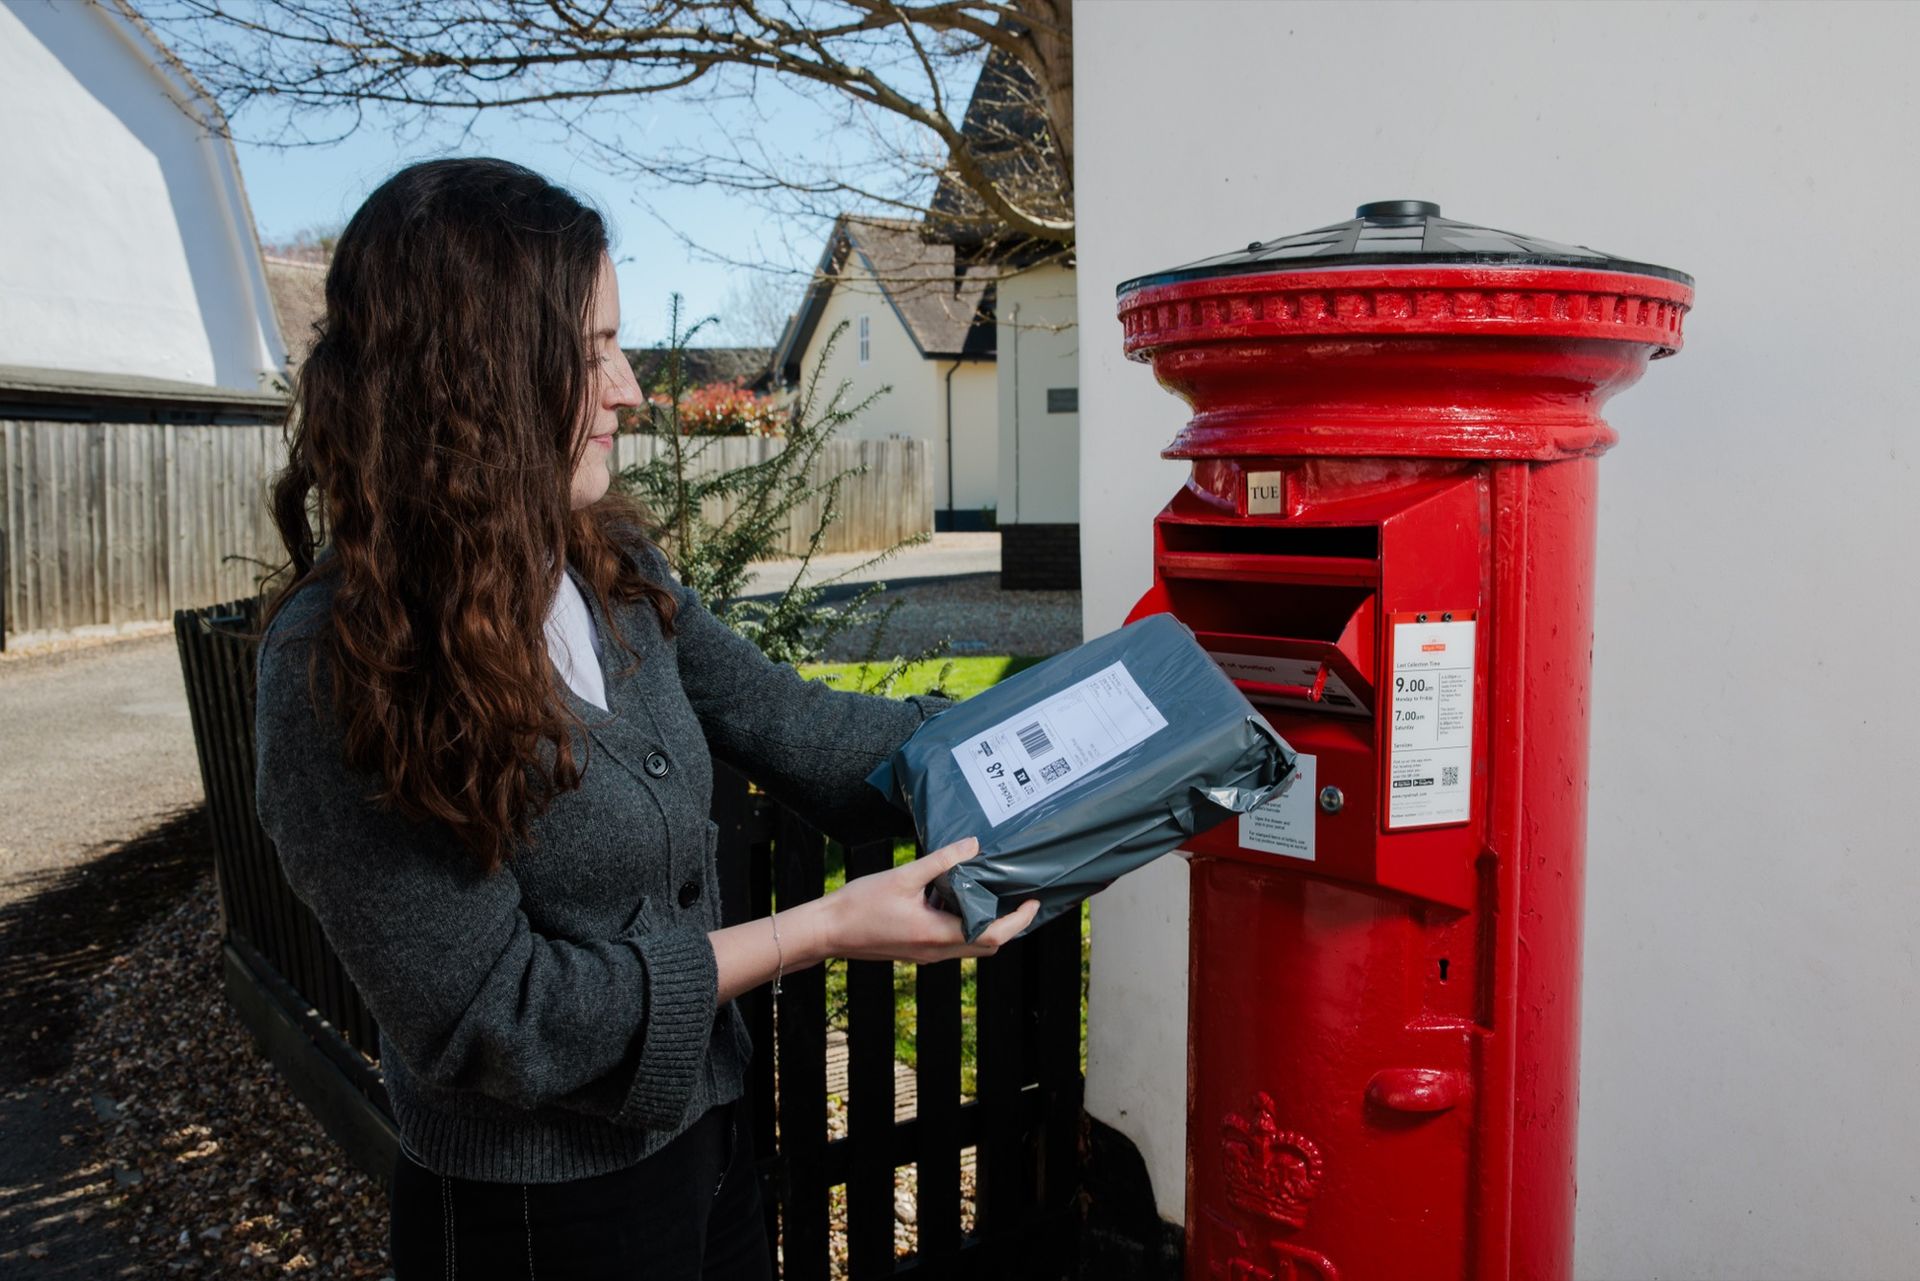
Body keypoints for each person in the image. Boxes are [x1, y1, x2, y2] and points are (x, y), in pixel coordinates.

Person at [251, 157, 1038, 1280]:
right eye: (589, 356)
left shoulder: (607, 566)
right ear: (468, 381)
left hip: (707, 1145)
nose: (630, 389)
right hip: (535, 1218)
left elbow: (797, 726)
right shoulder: (342, 661)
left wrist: (1073, 733)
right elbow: (496, 1013)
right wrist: (818, 928)